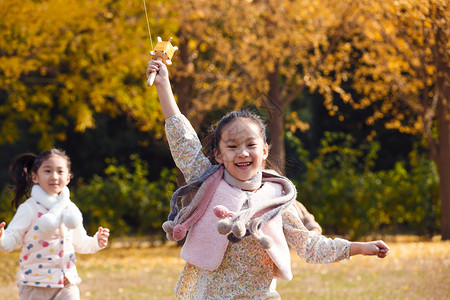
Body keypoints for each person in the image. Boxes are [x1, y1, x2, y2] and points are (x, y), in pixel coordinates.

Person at [146, 60, 389, 299]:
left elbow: (310, 246)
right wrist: (164, 84)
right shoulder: (208, 181)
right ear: (218, 154)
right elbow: (183, 141)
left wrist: (357, 248)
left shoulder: (277, 197)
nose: (242, 152)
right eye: (232, 146)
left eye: (250, 145)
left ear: (264, 151)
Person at [0, 149, 110, 300]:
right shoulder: (29, 209)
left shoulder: (71, 211)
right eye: (47, 171)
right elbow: (10, 241)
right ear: (35, 177)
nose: (54, 176)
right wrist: (1, 237)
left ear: (68, 178)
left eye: (60, 171)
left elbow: (81, 243)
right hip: (35, 286)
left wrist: (96, 241)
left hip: (67, 286)